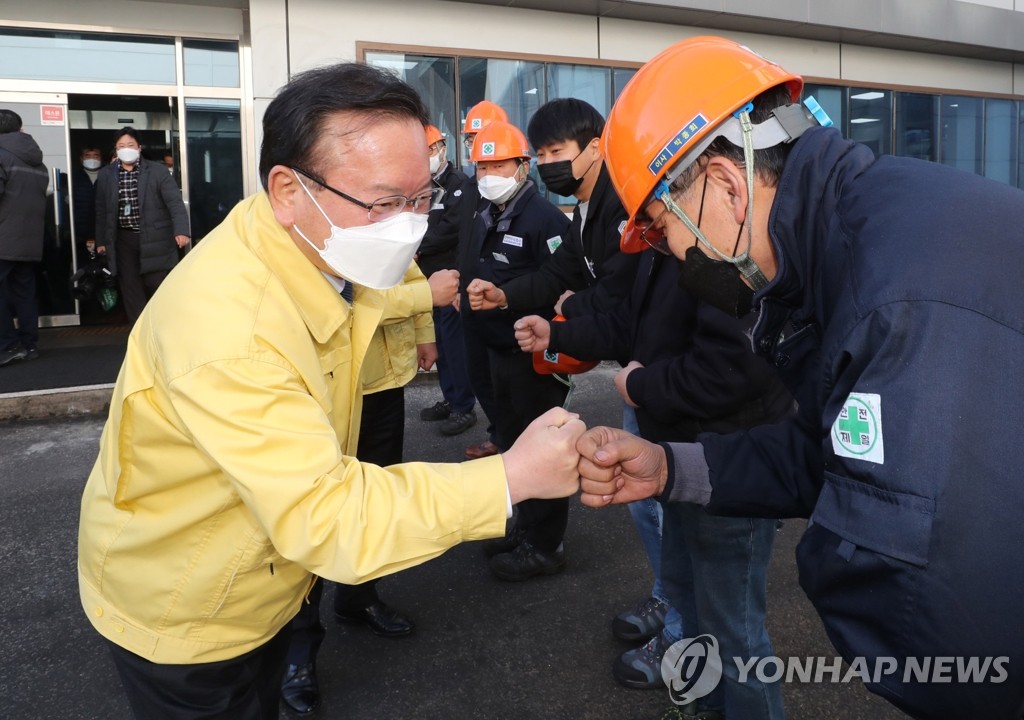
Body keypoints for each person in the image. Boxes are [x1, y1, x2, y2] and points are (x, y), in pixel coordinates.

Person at [77, 61, 585, 720]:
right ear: (288, 189)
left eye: (420, 198)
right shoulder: (232, 327)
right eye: (383, 202)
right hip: (190, 616)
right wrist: (509, 479)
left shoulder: (317, 252)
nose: (407, 226)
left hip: (257, 583)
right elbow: (331, 514)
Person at [576, 35, 1024, 720]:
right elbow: (823, 447)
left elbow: (937, 608)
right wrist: (668, 468)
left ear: (725, 184)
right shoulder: (858, 237)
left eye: (665, 227)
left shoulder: (894, 296)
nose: (672, 253)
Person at [515, 245, 791, 719]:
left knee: (737, 631)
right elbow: (631, 324)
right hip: (676, 460)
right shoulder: (661, 244)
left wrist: (640, 386)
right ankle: (708, 702)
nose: (642, 221)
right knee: (684, 591)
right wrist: (558, 333)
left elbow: (733, 370)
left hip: (728, 467)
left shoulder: (731, 248)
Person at [281, 261, 455, 716]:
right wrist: (424, 301)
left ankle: (358, 596)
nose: (408, 208)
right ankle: (297, 648)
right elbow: (346, 304)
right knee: (315, 506)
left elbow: (413, 278)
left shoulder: (386, 217)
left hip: (383, 382)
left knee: (375, 496)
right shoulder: (315, 224)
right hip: (328, 387)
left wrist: (424, 333)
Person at [458, 119, 573, 582]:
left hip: (529, 354)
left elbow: (561, 280)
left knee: (541, 446)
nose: (488, 173)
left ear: (523, 168)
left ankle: (546, 546)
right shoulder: (482, 212)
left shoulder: (545, 219)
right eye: (482, 165)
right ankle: (526, 528)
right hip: (492, 352)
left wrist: (508, 297)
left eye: (499, 163)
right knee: (511, 441)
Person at [416, 124, 478, 437]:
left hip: (451, 280)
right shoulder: (422, 186)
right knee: (438, 343)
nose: (426, 157)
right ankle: (449, 397)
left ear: (442, 147)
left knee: (455, 346)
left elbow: (452, 229)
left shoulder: (460, 185)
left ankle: (463, 407)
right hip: (427, 281)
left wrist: (416, 246)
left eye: (430, 149)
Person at [94, 126, 190, 323]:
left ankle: (163, 329)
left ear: (139, 147)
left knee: (156, 283)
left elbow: (174, 202)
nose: (125, 149)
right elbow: (101, 210)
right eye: (121, 146)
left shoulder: (158, 171)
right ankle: (139, 333)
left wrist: (181, 230)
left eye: (130, 144)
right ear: (115, 149)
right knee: (130, 287)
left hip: (155, 237)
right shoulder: (106, 174)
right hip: (122, 239)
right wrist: (101, 240)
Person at [458, 100, 509, 460]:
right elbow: (465, 244)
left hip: (503, 307)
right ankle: (499, 433)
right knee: (478, 374)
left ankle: (510, 441)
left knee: (503, 381)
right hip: (471, 299)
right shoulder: (471, 188)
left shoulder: (515, 201)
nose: (476, 144)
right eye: (472, 138)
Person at [0, 109, 48, 367]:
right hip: (29, 240)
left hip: (3, 238)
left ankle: (7, 346)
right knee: (24, 292)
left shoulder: (1, 156)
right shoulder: (37, 161)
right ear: (20, 129)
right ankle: (29, 344)